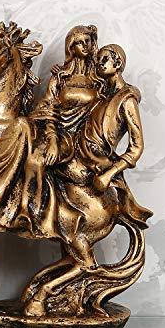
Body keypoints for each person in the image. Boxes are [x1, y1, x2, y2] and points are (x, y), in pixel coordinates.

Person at [17, 25, 102, 229]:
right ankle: (29, 213)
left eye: (87, 41)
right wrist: (53, 141)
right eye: (79, 43)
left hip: (86, 138)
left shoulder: (99, 80)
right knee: (35, 160)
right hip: (61, 134)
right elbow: (49, 108)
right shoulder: (61, 77)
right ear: (71, 48)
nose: (84, 46)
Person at [79, 43, 152, 226]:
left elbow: (137, 147)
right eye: (98, 60)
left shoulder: (127, 100)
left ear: (117, 63)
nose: (100, 63)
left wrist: (109, 174)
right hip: (78, 149)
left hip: (96, 160)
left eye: (105, 59)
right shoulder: (100, 94)